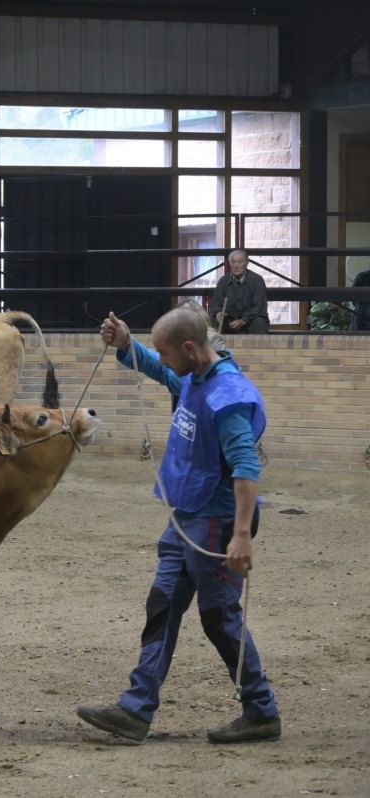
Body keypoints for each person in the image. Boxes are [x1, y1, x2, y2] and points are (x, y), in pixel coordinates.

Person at [76, 307, 281, 745]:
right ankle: (135, 709)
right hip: (187, 515)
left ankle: (261, 711)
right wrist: (128, 344)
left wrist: (242, 535)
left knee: (219, 617)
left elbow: (246, 465)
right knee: (163, 605)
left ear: (189, 348)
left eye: (166, 352)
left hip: (214, 521)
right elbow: (166, 373)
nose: (163, 360)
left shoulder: (228, 397)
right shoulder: (196, 375)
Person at [212, 250, 270, 334]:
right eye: (233, 262)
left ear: (246, 263)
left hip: (250, 321)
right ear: (230, 263)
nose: (236, 266)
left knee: (259, 322)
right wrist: (218, 313)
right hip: (229, 322)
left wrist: (243, 321)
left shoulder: (257, 280)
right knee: (212, 321)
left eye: (239, 262)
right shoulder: (223, 281)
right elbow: (216, 304)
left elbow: (259, 307)